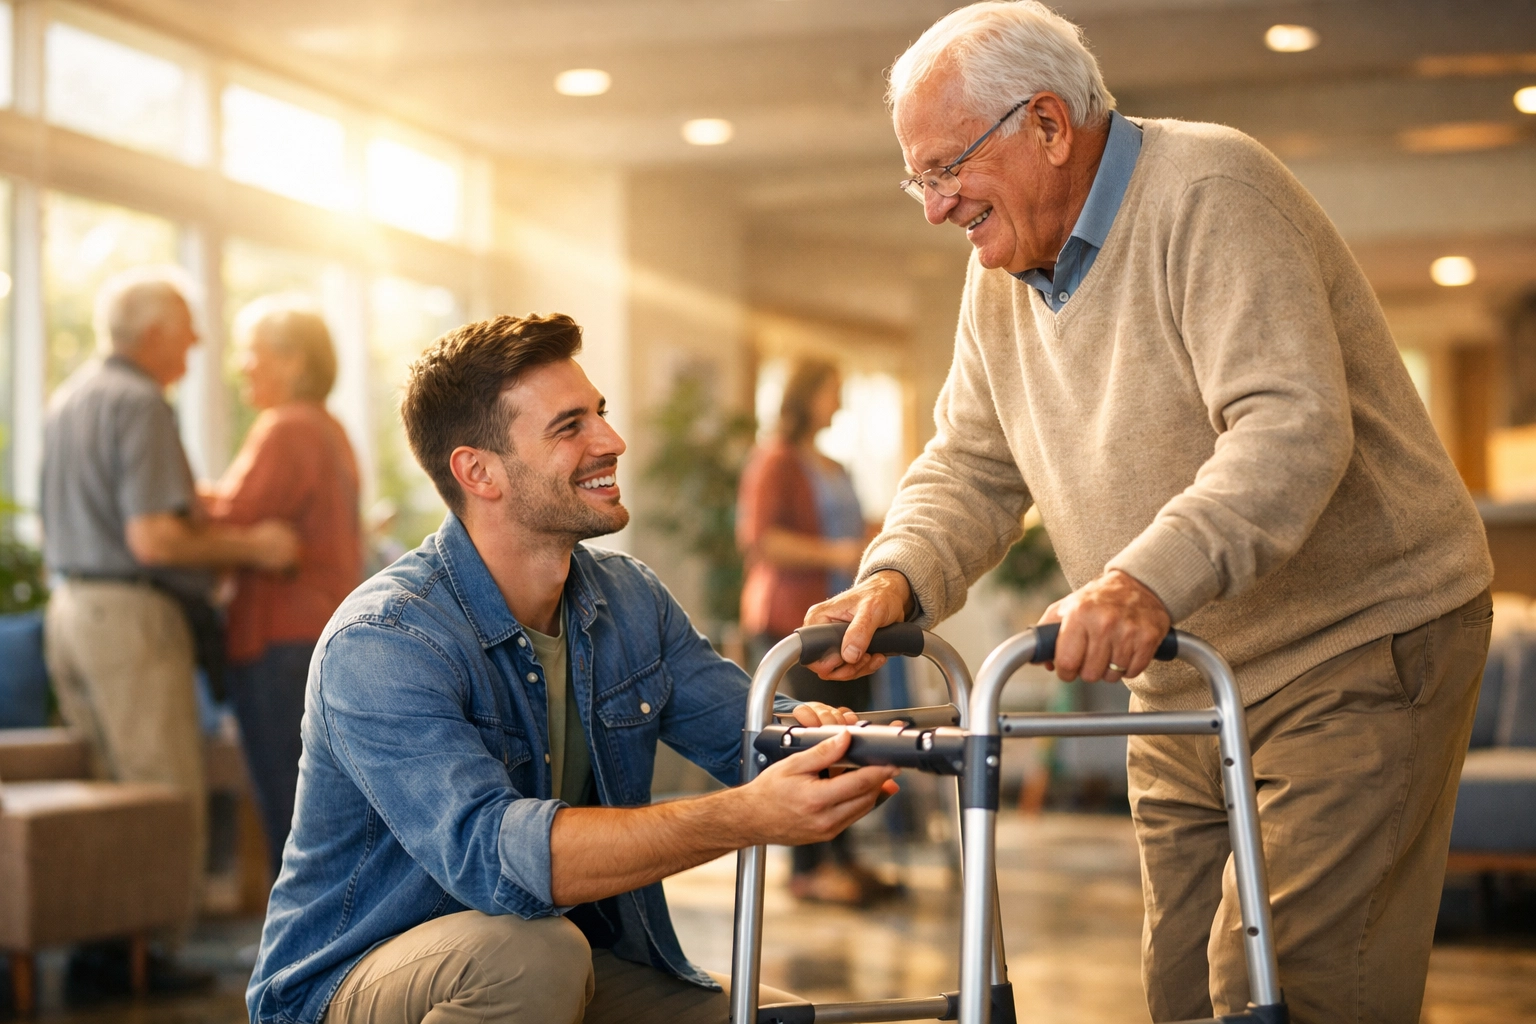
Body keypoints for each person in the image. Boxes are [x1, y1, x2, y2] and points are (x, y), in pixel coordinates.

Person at [805, 4, 1494, 1022]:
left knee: (1292, 984)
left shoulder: (1212, 189)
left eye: (947, 168)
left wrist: (1140, 580)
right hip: (1180, 659)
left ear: (1047, 124)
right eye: (921, 178)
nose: (935, 207)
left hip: (1354, 636)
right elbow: (970, 460)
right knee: (1177, 984)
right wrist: (896, 572)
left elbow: (1289, 429)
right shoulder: (998, 277)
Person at [247, 313, 900, 1024]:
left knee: (777, 1019)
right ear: (479, 472)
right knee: (534, 956)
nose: (611, 442)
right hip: (353, 982)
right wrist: (743, 818)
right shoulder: (385, 641)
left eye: (601, 415)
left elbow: (754, 739)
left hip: (562, 961)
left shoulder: (629, 599)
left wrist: (830, 743)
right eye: (570, 427)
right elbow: (494, 860)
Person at [41, 267, 299, 985]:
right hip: (129, 614)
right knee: (163, 790)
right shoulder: (141, 403)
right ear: (153, 333)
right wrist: (257, 546)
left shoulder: (73, 397)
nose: (196, 342)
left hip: (70, 610)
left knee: (111, 791)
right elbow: (154, 539)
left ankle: (106, 944)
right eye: (186, 328)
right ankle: (147, 954)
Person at [208, 296, 362, 876]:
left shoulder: (287, 428)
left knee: (287, 808)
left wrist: (170, 494)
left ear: (294, 362)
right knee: (314, 807)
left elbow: (228, 518)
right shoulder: (330, 429)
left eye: (254, 353)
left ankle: (295, 958)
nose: (242, 365)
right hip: (314, 635)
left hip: (278, 642)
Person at [737, 357, 897, 905]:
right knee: (810, 741)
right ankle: (808, 869)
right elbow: (763, 540)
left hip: (847, 624)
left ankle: (845, 859)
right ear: (805, 396)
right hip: (793, 624)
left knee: (851, 737)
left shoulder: (833, 465)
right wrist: (837, 550)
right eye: (831, 392)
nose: (839, 404)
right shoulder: (774, 462)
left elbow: (853, 531)